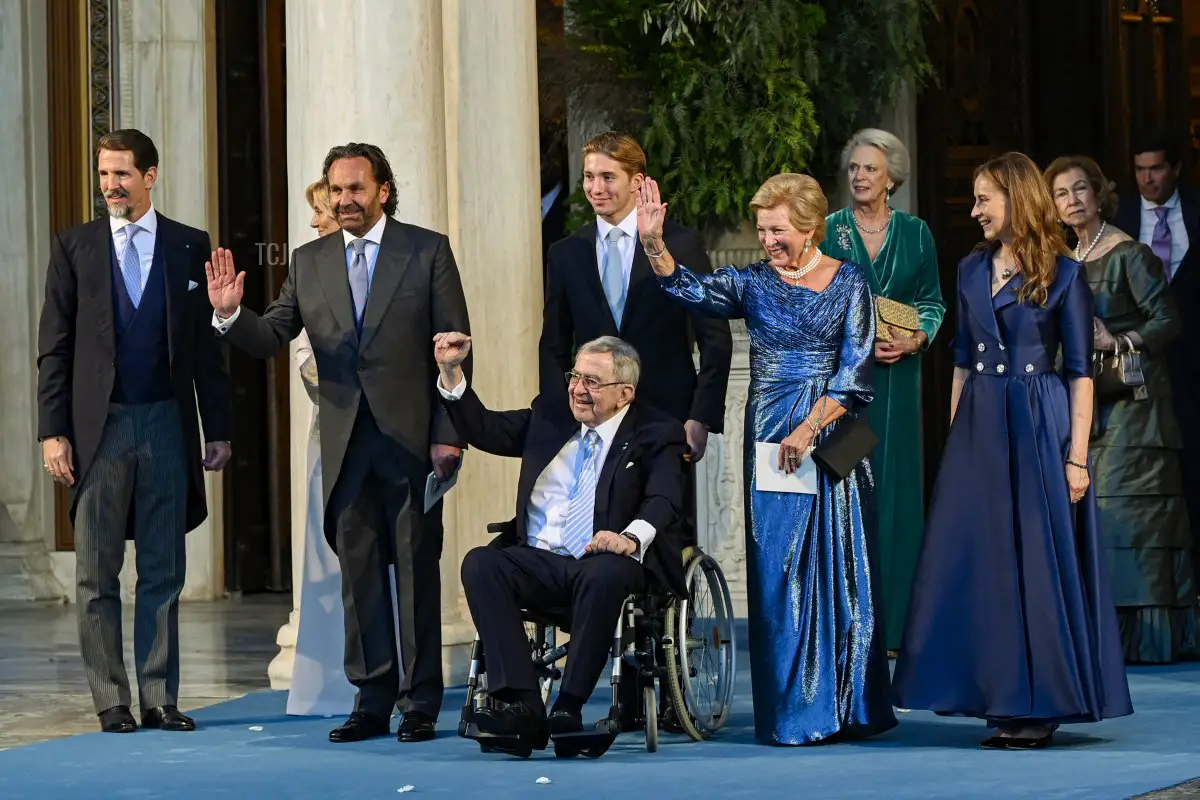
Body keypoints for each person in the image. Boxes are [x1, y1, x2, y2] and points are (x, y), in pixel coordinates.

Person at [205, 143, 471, 744]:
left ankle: (420, 701)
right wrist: (229, 315)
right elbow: (271, 335)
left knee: (416, 575)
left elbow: (455, 345)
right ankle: (371, 699)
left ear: (383, 190)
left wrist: (447, 436)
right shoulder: (310, 259)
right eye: (335, 189)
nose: (344, 200)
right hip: (346, 448)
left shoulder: (426, 250)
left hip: (411, 445)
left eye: (355, 188)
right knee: (360, 581)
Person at [641, 172, 896, 745]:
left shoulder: (850, 281)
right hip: (770, 432)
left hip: (836, 430)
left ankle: (851, 706)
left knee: (845, 564)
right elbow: (691, 291)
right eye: (762, 229)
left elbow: (857, 372)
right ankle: (795, 713)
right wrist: (654, 243)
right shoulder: (753, 282)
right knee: (780, 566)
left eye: (777, 229)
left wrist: (810, 428)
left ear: (810, 228)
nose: (768, 240)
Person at [894, 152, 1133, 749]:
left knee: (1036, 561)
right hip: (979, 422)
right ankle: (997, 696)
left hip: (1038, 418)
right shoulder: (970, 269)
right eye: (974, 200)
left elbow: (1079, 371)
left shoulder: (1065, 273)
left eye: (984, 199)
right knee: (984, 564)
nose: (974, 211)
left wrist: (1077, 457)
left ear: (1015, 200)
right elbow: (957, 360)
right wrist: (956, 441)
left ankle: (1042, 704)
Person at [36, 128, 233, 734]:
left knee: (164, 569)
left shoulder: (188, 245)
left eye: (122, 174)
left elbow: (205, 351)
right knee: (97, 572)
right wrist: (53, 431)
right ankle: (110, 700)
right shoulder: (76, 248)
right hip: (101, 427)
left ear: (150, 176)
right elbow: (55, 349)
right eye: (103, 175)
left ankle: (158, 696)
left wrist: (217, 427)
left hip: (167, 424)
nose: (110, 186)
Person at [434, 332, 687, 755]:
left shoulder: (657, 431)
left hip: (605, 560)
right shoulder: (550, 415)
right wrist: (451, 371)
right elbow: (486, 429)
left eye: (592, 381)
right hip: (541, 559)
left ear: (625, 392)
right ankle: (523, 707)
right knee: (481, 563)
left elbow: (663, 498)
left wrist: (629, 537)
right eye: (575, 376)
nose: (577, 388)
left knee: (604, 572)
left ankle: (568, 708)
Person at [1045, 155, 1196, 663]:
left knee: (1134, 515)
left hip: (1137, 407)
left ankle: (1148, 639)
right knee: (1098, 513)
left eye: (1080, 188)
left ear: (1099, 192)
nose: (1073, 200)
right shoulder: (1062, 260)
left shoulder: (1129, 253)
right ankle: (1105, 637)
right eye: (1062, 193)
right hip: (1087, 402)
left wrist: (1118, 338)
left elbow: (1167, 320)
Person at [539, 131, 732, 505]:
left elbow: (715, 337)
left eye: (608, 177)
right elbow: (553, 345)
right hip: (596, 424)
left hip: (669, 418)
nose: (596, 188)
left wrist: (701, 417)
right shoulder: (565, 254)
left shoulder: (680, 244)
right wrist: (559, 418)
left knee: (668, 536)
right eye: (589, 177)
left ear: (637, 182)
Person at [822, 129, 945, 654]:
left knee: (894, 493)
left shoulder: (917, 234)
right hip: (847, 383)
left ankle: (895, 627)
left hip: (898, 383)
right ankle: (849, 625)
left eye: (869, 169)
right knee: (846, 485)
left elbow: (934, 303)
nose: (859, 176)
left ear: (891, 177)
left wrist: (916, 338)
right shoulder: (829, 231)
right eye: (853, 168)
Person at [1113, 131, 1200, 576]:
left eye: (1157, 168)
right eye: (1140, 169)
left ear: (1177, 169)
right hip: (1134, 367)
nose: (1148, 179)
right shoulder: (1119, 218)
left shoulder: (1195, 214)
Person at [286, 179, 356, 715]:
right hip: (328, 436)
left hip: (383, 435)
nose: (313, 222)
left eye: (319, 212)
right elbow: (309, 369)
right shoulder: (308, 271)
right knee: (324, 561)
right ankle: (329, 683)